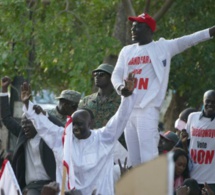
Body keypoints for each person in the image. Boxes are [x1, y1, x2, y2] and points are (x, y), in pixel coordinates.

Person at [111, 12, 215, 167]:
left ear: (149, 30)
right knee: (134, 161)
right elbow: (116, 74)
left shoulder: (163, 47)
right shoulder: (126, 51)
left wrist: (210, 32)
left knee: (148, 157)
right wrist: (121, 89)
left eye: (137, 27)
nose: (132, 30)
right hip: (128, 109)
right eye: (132, 27)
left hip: (147, 109)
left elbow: (189, 40)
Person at [21, 73, 135, 195]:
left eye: (79, 124)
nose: (75, 127)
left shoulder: (103, 138)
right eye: (73, 124)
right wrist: (28, 104)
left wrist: (127, 97)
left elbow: (120, 118)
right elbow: (44, 126)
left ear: (90, 124)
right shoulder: (63, 139)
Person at [0, 76, 63, 195]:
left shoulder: (48, 136)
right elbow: (6, 118)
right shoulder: (22, 135)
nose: (25, 127)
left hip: (52, 183)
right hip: (32, 187)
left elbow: (62, 129)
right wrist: (4, 90)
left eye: (28, 124)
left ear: (36, 123)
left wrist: (45, 115)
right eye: (23, 124)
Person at [78, 64, 126, 147]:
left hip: (115, 147)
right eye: (95, 74)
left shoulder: (122, 101)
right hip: (91, 145)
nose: (97, 77)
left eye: (101, 74)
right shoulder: (87, 100)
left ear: (112, 78)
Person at [185, 90, 215, 193]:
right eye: (208, 101)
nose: (210, 104)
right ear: (203, 101)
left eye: (214, 102)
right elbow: (187, 142)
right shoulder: (192, 117)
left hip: (212, 180)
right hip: (192, 176)